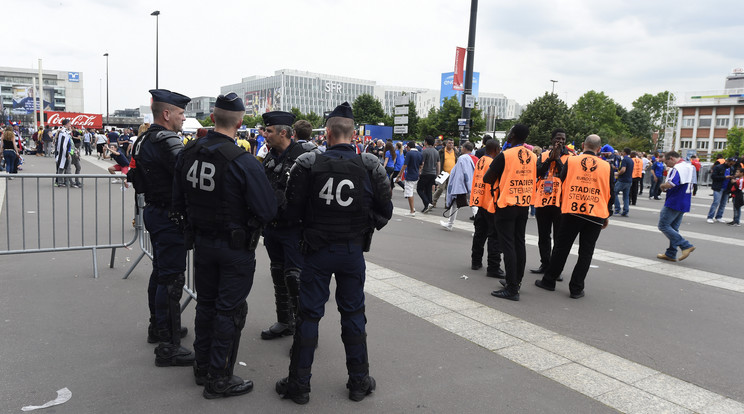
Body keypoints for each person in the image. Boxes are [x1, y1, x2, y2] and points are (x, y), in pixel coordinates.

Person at [276, 102, 393, 404]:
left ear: (326, 133)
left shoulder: (307, 164)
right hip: (352, 251)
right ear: (354, 134)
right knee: (353, 313)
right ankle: (359, 381)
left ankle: (299, 385)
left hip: (315, 251)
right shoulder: (369, 166)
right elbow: (385, 210)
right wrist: (363, 227)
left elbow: (290, 212)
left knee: (308, 315)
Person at [173, 93, 276, 399]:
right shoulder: (242, 161)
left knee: (206, 305)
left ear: (213, 118)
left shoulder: (189, 152)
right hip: (234, 248)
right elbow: (267, 210)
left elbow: (179, 199)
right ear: (240, 122)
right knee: (228, 312)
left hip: (202, 242)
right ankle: (219, 378)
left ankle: (202, 366)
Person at [129, 89, 194, 366]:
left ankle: (159, 327)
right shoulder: (168, 139)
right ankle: (168, 346)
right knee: (171, 279)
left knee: (161, 273)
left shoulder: (144, 138)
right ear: (167, 114)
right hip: (169, 216)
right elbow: (187, 173)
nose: (183, 118)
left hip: (155, 212)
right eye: (180, 113)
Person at [260, 110, 319, 340]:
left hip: (295, 228)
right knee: (278, 274)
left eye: (269, 131)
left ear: (283, 132)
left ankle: (305, 332)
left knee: (295, 279)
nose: (265, 134)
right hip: (273, 227)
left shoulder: (305, 155)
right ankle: (285, 322)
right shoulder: (270, 155)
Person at [535, 134, 614, 299]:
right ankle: (576, 288)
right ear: (599, 149)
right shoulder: (607, 167)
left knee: (561, 248)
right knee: (586, 252)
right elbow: (610, 193)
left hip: (572, 210)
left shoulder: (571, 161)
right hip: (595, 213)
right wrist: (607, 214)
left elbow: (561, 181)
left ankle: (549, 281)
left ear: (583, 144)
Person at [483, 124, 536, 301]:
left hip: (506, 204)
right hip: (523, 204)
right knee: (519, 242)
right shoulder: (533, 155)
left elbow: (487, 178)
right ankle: (516, 281)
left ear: (512, 135)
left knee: (508, 246)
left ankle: (512, 288)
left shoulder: (505, 155)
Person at [530, 128, 570, 275]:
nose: (561, 141)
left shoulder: (570, 157)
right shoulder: (544, 155)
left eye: (563, 139)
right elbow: (538, 171)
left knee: (559, 238)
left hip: (560, 203)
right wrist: (550, 158)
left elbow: (566, 175)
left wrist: (558, 158)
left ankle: (555, 270)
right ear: (552, 140)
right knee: (543, 236)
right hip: (543, 200)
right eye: (558, 138)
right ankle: (545, 264)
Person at [470, 139, 504, 278]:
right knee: (494, 236)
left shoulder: (480, 161)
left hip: (481, 202)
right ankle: (493, 267)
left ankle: (476, 261)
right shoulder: (492, 163)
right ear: (496, 150)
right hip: (491, 203)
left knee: (479, 234)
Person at [656, 151, 696, 261]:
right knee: (674, 227)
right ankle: (671, 253)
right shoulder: (689, 166)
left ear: (672, 158)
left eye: (667, 162)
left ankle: (685, 245)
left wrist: (662, 185)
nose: (667, 165)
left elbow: (672, 183)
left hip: (674, 200)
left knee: (663, 225)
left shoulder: (677, 168)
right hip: (685, 199)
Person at [440, 141, 475, 230]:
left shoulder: (462, 158)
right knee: (469, 205)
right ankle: (449, 224)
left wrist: (456, 186)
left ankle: (450, 224)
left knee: (467, 205)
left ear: (465, 148)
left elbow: (459, 174)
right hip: (472, 185)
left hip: (463, 186)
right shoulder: (475, 158)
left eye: (462, 147)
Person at [396, 141, 422, 217]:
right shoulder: (420, 153)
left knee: (409, 193)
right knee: (411, 191)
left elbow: (405, 165)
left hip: (410, 175)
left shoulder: (409, 153)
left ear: (409, 147)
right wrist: (419, 172)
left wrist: (399, 176)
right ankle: (412, 209)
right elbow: (421, 165)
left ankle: (412, 211)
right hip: (416, 175)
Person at [431, 139, 459, 207]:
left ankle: (447, 203)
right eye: (449, 143)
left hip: (452, 173)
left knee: (449, 189)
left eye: (452, 143)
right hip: (443, 173)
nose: (451, 144)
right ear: (446, 144)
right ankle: (433, 201)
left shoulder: (455, 151)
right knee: (440, 188)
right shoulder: (441, 151)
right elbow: (437, 161)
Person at [707, 158, 735, 223]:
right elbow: (713, 176)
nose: (731, 165)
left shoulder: (732, 168)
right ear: (727, 161)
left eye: (733, 163)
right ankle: (710, 217)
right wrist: (725, 177)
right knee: (716, 202)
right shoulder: (718, 167)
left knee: (723, 203)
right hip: (718, 187)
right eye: (730, 163)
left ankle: (719, 216)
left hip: (727, 188)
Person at [418, 136, 440, 213]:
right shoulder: (436, 151)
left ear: (426, 142)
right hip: (433, 173)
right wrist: (437, 173)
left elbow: (422, 163)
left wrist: (419, 171)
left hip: (425, 173)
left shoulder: (425, 151)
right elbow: (438, 163)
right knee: (428, 189)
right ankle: (428, 205)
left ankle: (427, 204)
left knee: (419, 189)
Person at [613, 147, 634, 216]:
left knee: (614, 192)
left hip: (622, 180)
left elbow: (623, 169)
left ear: (624, 152)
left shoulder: (624, 159)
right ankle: (626, 211)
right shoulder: (631, 160)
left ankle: (617, 208)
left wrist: (618, 174)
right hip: (629, 180)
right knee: (626, 196)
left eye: (622, 151)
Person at [55, 119, 73, 187]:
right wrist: (67, 153)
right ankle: (62, 182)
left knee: (64, 167)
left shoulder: (64, 131)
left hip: (64, 152)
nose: (70, 124)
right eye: (69, 123)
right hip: (63, 152)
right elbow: (63, 144)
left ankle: (64, 181)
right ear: (67, 124)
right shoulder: (62, 132)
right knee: (62, 167)